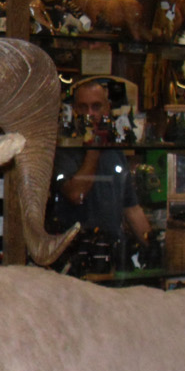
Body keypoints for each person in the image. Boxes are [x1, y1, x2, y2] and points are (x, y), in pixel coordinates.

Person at [49, 77, 153, 246]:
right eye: (83, 107)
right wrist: (93, 149)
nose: (90, 114)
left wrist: (152, 247)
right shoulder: (65, 151)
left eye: (96, 106)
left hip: (113, 247)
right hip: (78, 248)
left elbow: (132, 209)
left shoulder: (114, 151)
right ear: (75, 110)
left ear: (107, 109)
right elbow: (76, 194)